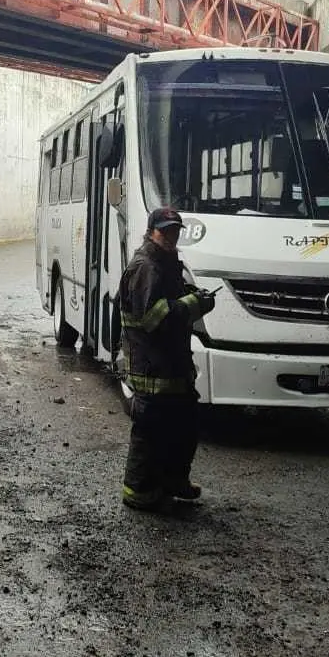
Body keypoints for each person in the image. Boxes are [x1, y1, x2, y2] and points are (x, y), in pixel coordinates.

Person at [118, 207, 217, 512]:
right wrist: (193, 304)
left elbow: (169, 297)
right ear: (152, 232)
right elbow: (153, 317)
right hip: (152, 368)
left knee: (184, 426)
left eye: (175, 231)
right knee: (150, 431)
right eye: (166, 231)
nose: (172, 236)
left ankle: (174, 481)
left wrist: (189, 293)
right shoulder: (146, 266)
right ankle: (138, 492)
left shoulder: (165, 262)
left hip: (172, 366)